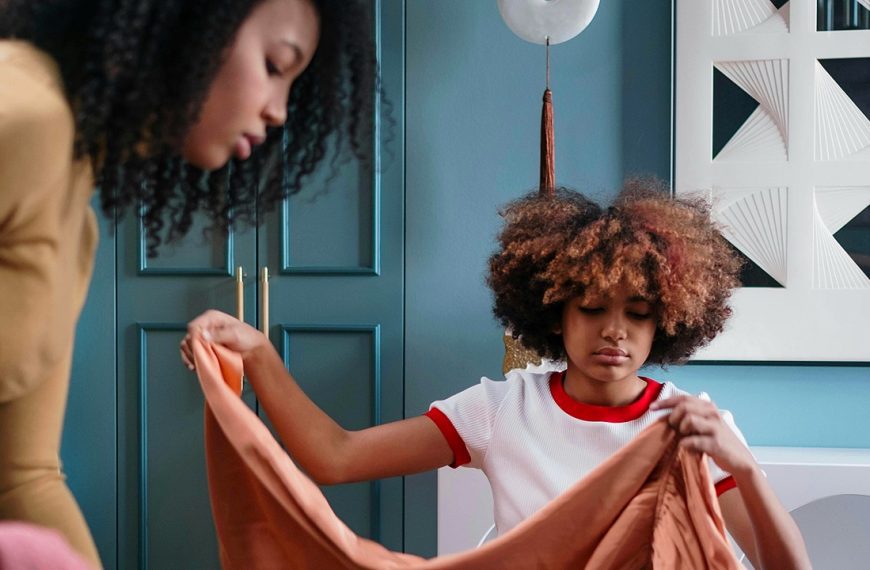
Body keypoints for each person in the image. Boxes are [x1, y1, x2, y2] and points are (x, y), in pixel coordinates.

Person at [180, 180, 811, 569]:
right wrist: (261, 356)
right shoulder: (503, 410)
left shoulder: (690, 427)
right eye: (591, 309)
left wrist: (745, 468)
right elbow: (335, 458)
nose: (614, 330)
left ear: (667, 323)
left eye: (638, 315)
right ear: (553, 313)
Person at [0, 0, 377, 566]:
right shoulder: (27, 113)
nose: (278, 111)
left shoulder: (74, 219)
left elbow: (23, 478)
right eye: (275, 66)